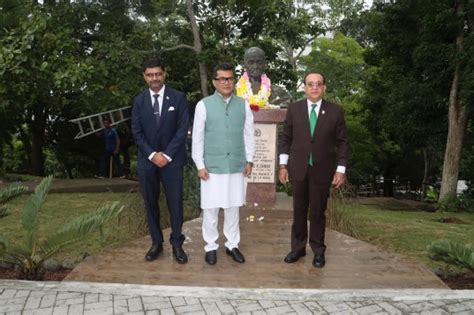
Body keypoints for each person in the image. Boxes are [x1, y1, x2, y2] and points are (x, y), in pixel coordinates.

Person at [278, 72, 349, 268]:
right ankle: (298, 248)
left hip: (322, 170)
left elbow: (343, 143)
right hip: (298, 169)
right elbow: (286, 138)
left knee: (317, 211)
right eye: (310, 84)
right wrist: (283, 165)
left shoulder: (335, 111)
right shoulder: (294, 109)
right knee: (299, 210)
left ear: (324, 87)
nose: (314, 88)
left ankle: (318, 251)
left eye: (318, 84)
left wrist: (341, 169)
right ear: (305, 87)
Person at [192, 63, 256, 265]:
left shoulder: (243, 104)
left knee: (233, 207)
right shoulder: (203, 105)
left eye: (230, 79)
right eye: (222, 79)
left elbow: (249, 134)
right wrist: (200, 165)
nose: (226, 82)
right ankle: (210, 246)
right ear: (214, 82)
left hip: (236, 164)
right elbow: (198, 138)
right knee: (210, 208)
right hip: (212, 166)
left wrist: (250, 160)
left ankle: (232, 245)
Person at [131, 58, 189, 264]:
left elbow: (182, 129)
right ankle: (156, 242)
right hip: (148, 162)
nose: (154, 78)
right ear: (144, 77)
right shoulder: (139, 101)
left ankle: (177, 244)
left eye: (158, 74)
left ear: (164, 74)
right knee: (150, 203)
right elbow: (136, 133)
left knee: (175, 203)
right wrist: (152, 155)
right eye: (150, 75)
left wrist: (167, 155)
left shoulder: (178, 98)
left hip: (172, 161)